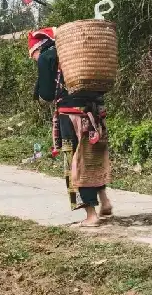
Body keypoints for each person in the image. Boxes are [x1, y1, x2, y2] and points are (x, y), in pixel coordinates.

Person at [29, 28, 113, 227]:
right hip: (94, 112)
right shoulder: (76, 50)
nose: (34, 59)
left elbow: (47, 94)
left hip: (71, 115)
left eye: (32, 55)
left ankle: (91, 215)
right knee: (92, 156)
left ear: (37, 48)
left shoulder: (46, 57)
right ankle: (105, 200)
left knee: (76, 161)